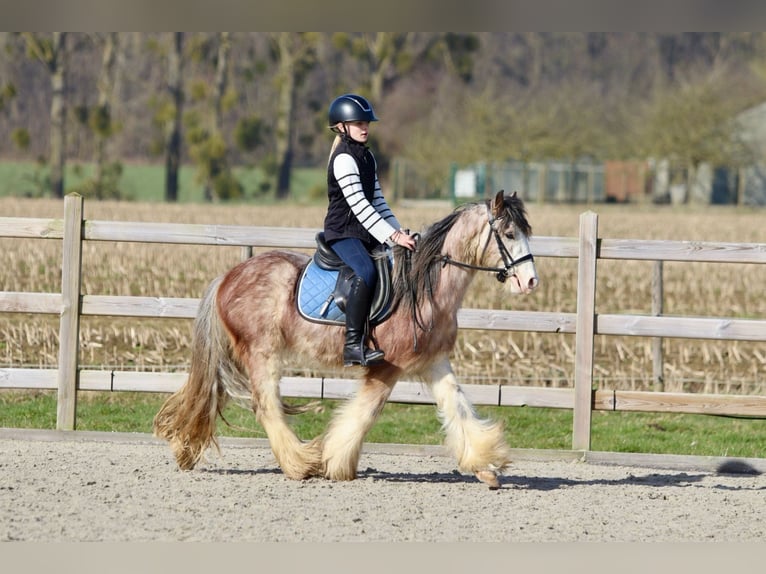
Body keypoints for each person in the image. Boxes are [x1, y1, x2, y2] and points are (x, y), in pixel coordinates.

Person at [323, 93, 416, 367]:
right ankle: (352, 344)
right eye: (358, 123)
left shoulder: (367, 157)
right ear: (341, 126)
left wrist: (401, 234)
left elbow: (378, 202)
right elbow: (360, 206)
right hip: (342, 233)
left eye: (367, 123)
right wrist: (392, 236)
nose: (365, 127)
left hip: (365, 232)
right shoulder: (342, 160)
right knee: (366, 271)